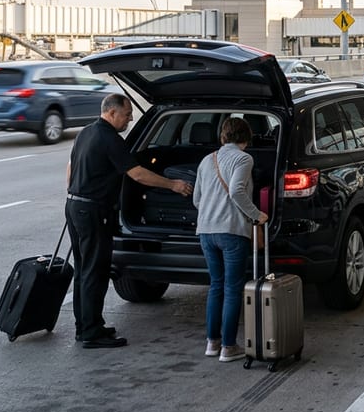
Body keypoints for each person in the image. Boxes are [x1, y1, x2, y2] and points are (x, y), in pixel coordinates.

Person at [66, 93, 193, 349]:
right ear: (112, 113)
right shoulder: (110, 138)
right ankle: (91, 333)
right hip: (93, 211)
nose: (129, 120)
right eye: (126, 115)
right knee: (95, 270)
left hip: (75, 205)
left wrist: (77, 194)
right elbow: (137, 174)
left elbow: (70, 168)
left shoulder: (87, 132)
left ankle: (86, 326)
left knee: (83, 269)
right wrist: (174, 185)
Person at [193, 117, 269, 363]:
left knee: (216, 285)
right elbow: (237, 190)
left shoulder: (207, 160)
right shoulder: (244, 158)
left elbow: (197, 199)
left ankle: (212, 343)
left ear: (223, 136)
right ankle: (228, 346)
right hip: (231, 231)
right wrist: (256, 215)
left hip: (205, 230)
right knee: (232, 288)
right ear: (246, 138)